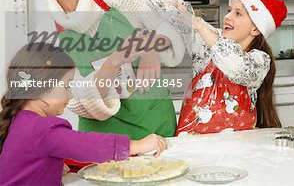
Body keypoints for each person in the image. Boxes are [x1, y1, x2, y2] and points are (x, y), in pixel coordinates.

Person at [18, 0, 186, 138]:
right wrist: (114, 62)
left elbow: (166, 28)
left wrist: (149, 45)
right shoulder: (47, 35)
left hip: (157, 123)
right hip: (103, 139)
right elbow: (76, 100)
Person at [102, 0, 287, 134]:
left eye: (238, 14)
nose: (228, 16)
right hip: (193, 140)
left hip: (237, 143)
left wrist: (197, 23)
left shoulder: (260, 59)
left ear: (255, 28)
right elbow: (172, 6)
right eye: (230, 10)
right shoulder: (207, 42)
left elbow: (237, 67)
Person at [0, 43, 168, 185]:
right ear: (41, 89)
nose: (71, 94)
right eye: (66, 86)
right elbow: (86, 145)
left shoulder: (20, 121)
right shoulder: (42, 129)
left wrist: (51, 164)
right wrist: (137, 145)